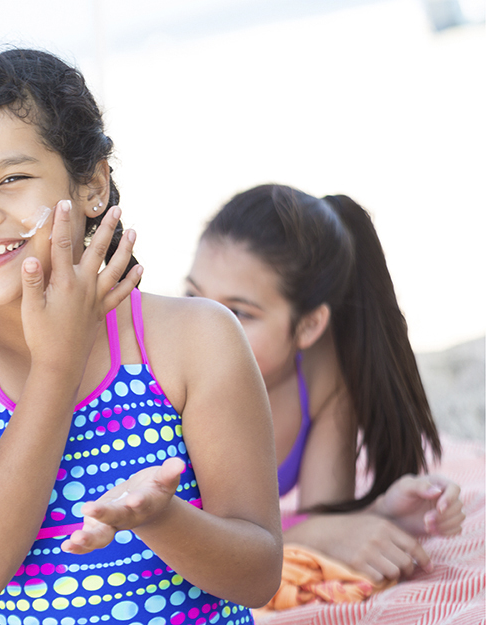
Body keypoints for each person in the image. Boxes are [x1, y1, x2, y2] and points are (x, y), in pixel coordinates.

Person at [0, 48, 283, 625]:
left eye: (11, 178)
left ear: (92, 183)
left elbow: (259, 577)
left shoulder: (196, 338)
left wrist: (160, 519)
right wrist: (56, 368)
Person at [184, 184, 465, 583]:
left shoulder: (319, 379)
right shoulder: (165, 372)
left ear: (310, 325)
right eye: (192, 294)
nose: (204, 323)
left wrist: (383, 516)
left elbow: (323, 518)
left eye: (239, 312)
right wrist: (320, 534)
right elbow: (158, 533)